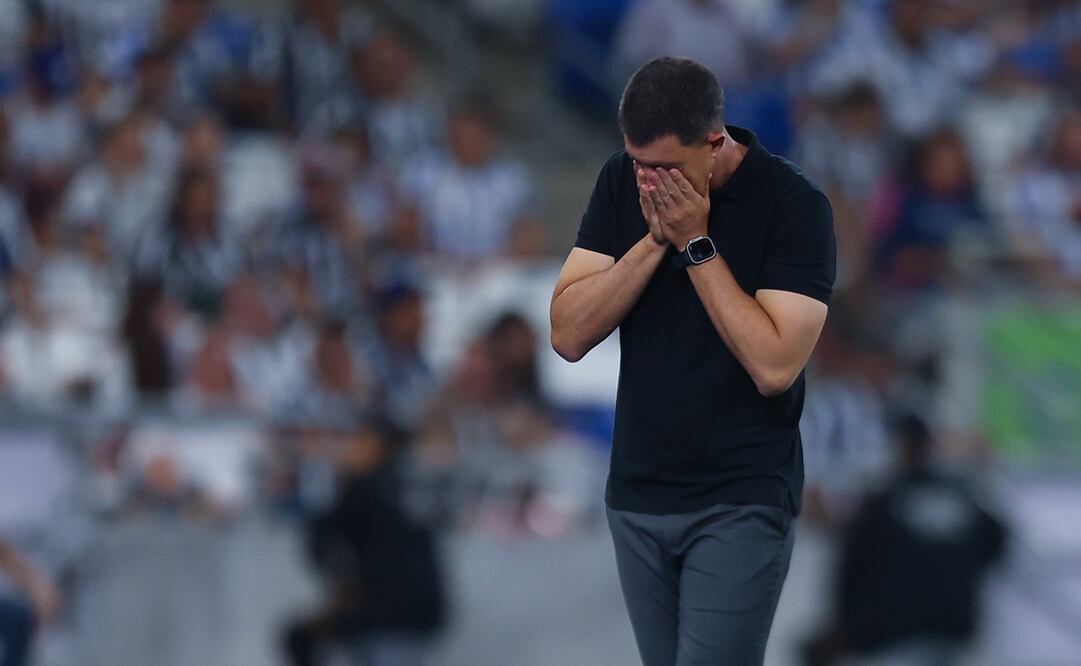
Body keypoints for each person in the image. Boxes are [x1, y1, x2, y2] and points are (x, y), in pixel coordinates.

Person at [550, 57, 836, 665]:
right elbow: (568, 333)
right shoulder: (621, 181)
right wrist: (655, 240)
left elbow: (774, 366)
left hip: (740, 494)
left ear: (714, 142)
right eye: (639, 163)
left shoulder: (792, 204)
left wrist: (695, 243)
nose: (650, 182)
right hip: (638, 490)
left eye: (666, 168)